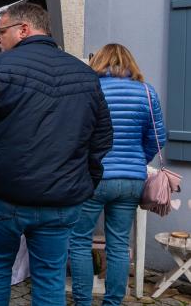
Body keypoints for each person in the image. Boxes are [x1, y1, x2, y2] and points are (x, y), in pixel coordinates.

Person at [0, 2, 113, 305]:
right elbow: (101, 138)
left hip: (5, 192)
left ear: (24, 29)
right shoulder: (84, 74)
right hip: (59, 196)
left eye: (1, 31)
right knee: (49, 274)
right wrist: (85, 180)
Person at [69, 44, 166, 306]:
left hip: (93, 177)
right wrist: (137, 162)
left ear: (98, 62)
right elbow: (158, 139)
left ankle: (82, 302)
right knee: (119, 245)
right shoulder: (147, 93)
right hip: (132, 180)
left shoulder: (88, 90)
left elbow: (75, 135)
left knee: (79, 241)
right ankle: (112, 303)